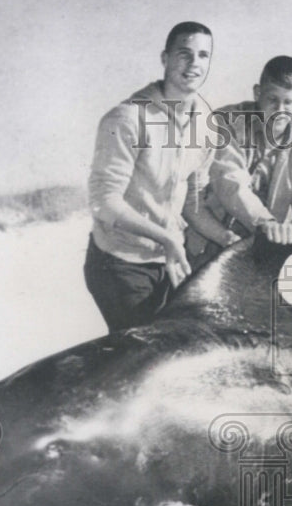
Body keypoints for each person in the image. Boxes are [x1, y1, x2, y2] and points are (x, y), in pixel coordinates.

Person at [84, 21, 221, 333]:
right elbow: (103, 202)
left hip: (167, 262)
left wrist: (229, 240)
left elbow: (193, 203)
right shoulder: (128, 117)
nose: (194, 64)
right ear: (165, 58)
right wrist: (168, 238)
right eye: (184, 54)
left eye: (203, 56)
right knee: (146, 356)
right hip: (119, 262)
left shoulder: (207, 124)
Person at [185, 55, 292, 309]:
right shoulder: (225, 123)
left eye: (288, 102)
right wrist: (267, 222)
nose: (280, 111)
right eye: (272, 100)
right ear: (257, 92)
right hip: (201, 248)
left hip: (254, 262)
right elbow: (229, 181)